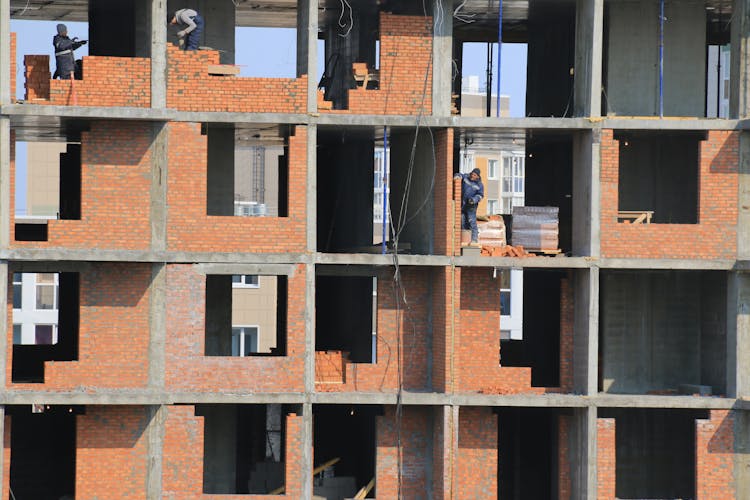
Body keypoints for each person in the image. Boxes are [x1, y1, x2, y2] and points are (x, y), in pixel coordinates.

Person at [455, 168, 484, 246]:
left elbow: (480, 195)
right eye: (472, 174)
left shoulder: (479, 185)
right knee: (462, 220)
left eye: (474, 175)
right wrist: (457, 176)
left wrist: (473, 200)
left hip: (471, 205)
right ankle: (464, 239)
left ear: (477, 176)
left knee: (471, 221)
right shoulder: (466, 177)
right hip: (463, 204)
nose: (472, 176)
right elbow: (460, 175)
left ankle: (474, 239)